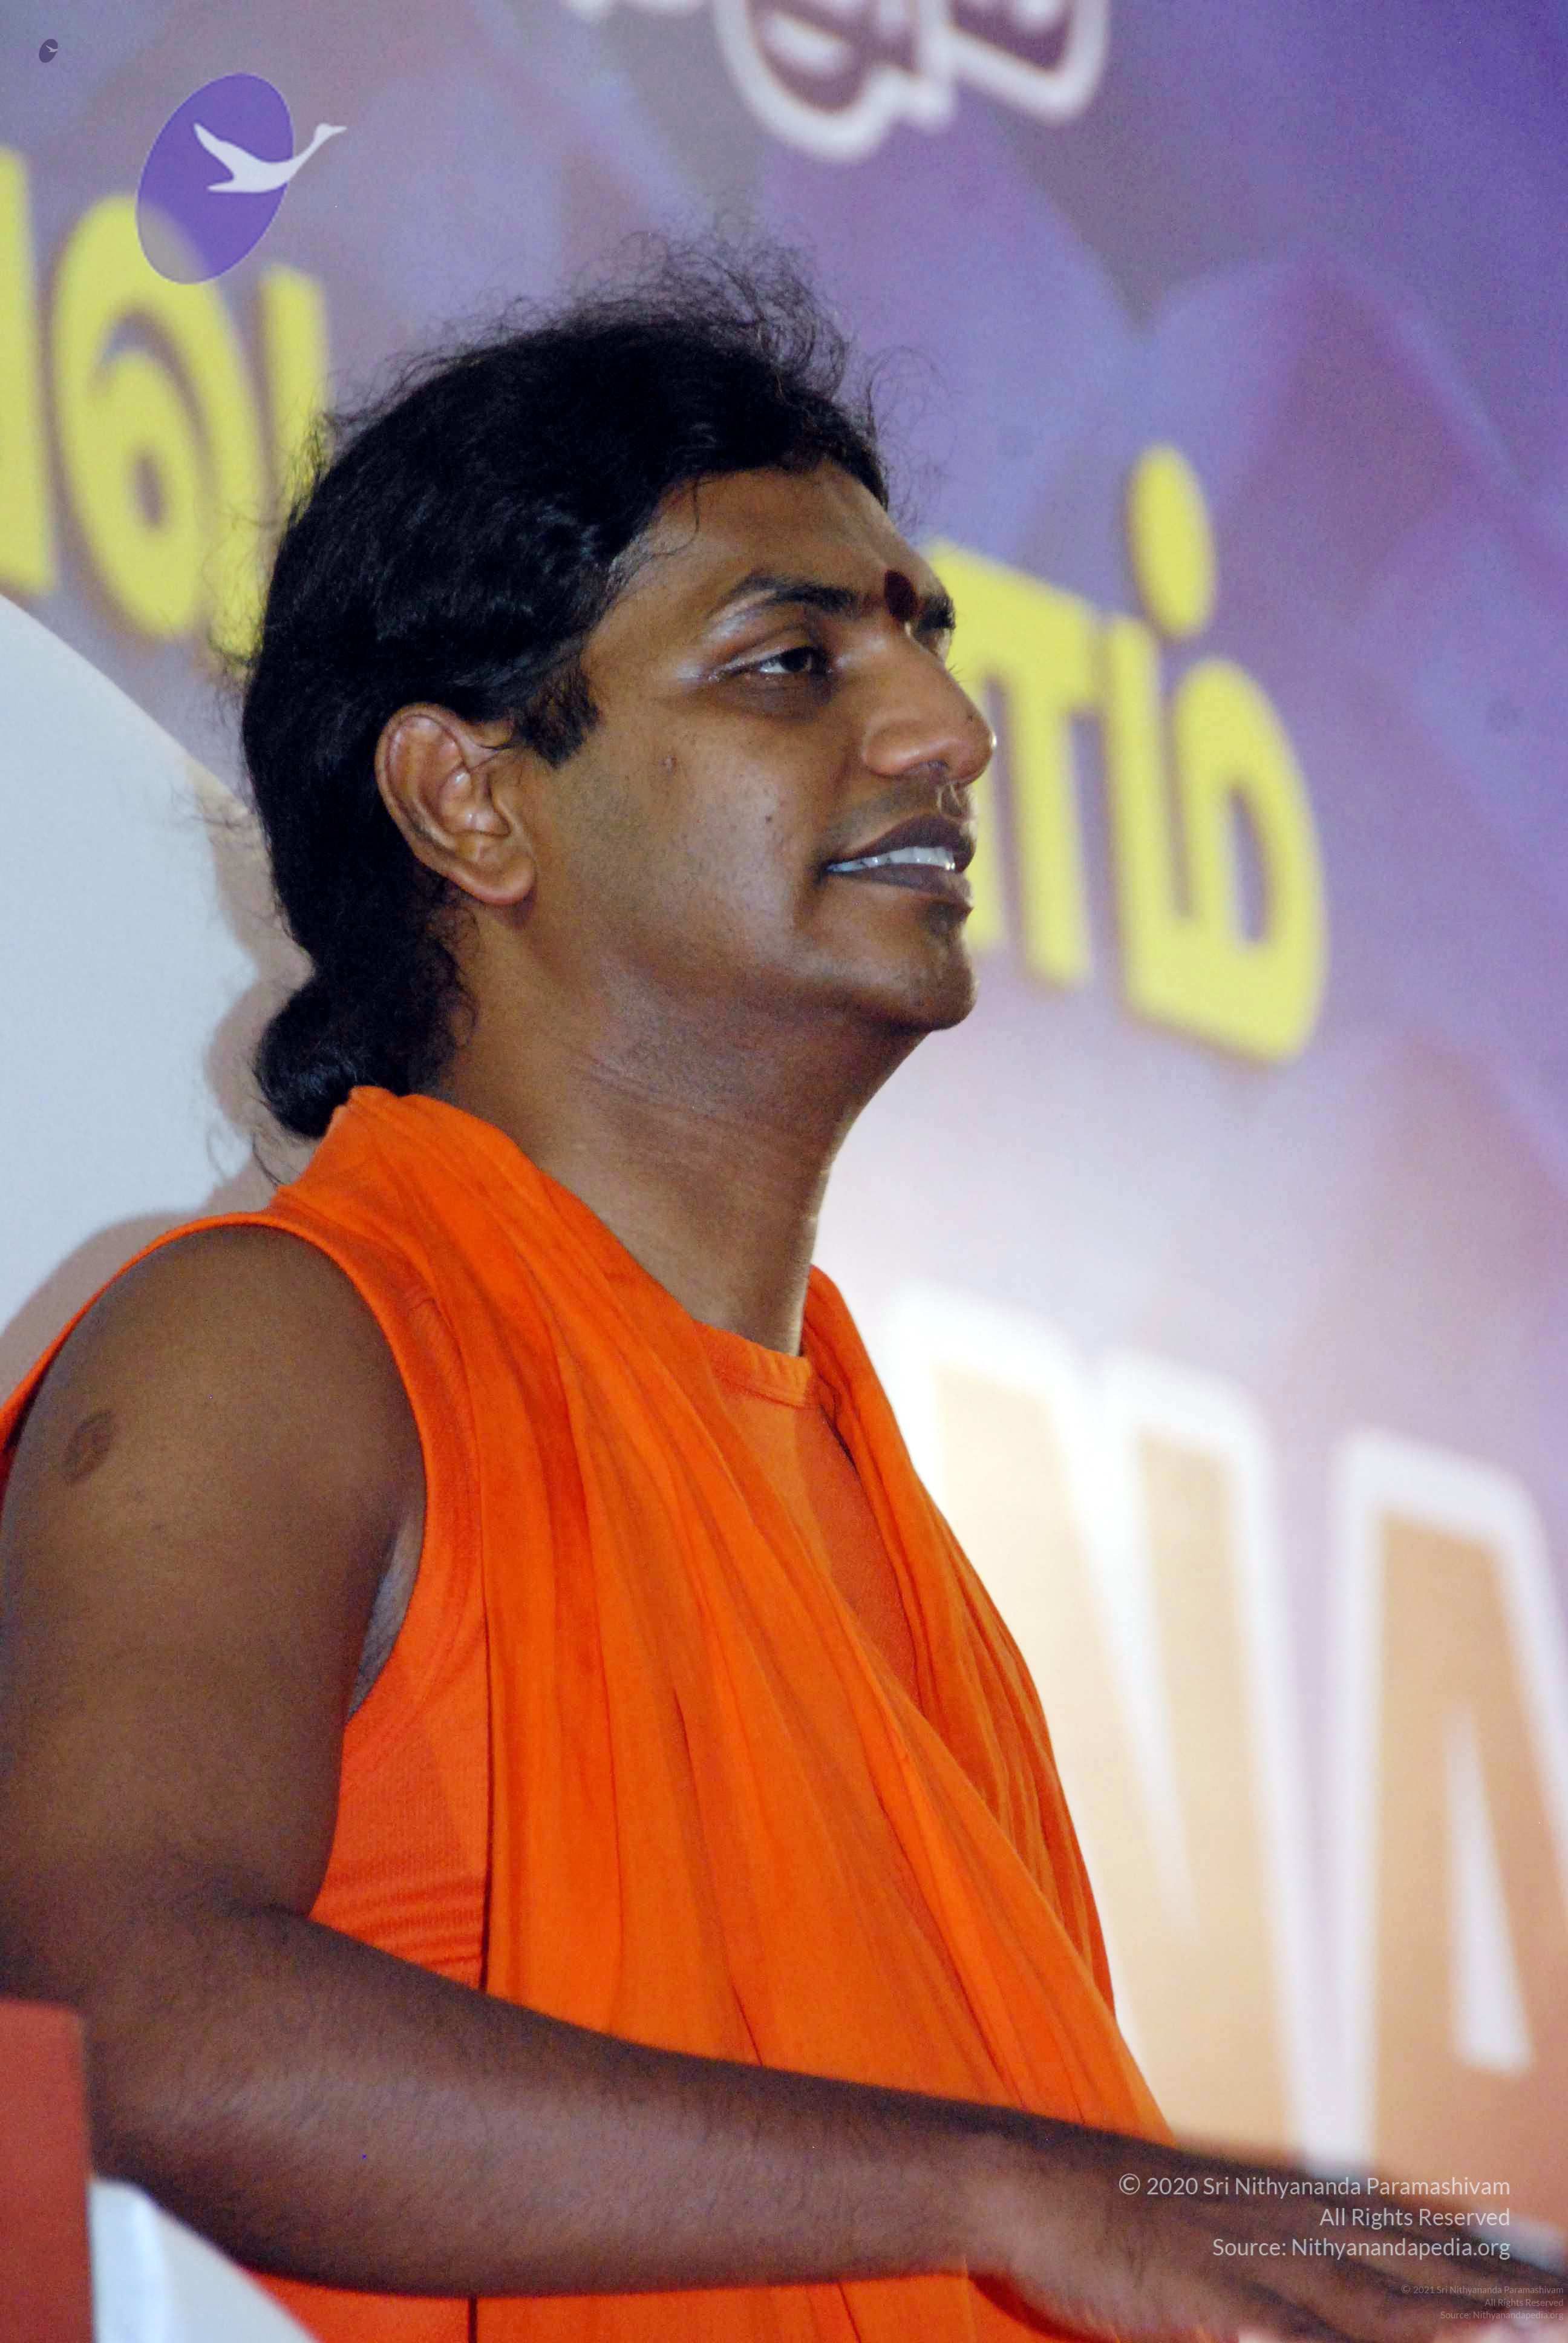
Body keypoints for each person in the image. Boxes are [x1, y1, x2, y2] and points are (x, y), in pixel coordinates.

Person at [0, 248, 1558, 2343]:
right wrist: (1008, 2189)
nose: (951, 732)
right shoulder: (279, 1347)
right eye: (791, 663)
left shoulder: (910, 1562)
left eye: (924, 644)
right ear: (471, 800)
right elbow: (101, 2019)